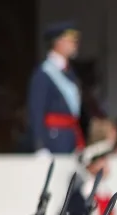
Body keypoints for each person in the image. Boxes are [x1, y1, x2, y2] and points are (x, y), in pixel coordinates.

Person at [27, 21, 83, 154]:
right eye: (70, 40)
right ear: (57, 42)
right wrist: (39, 145)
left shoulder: (70, 72)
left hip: (70, 138)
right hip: (53, 139)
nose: (74, 44)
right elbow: (36, 112)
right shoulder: (43, 74)